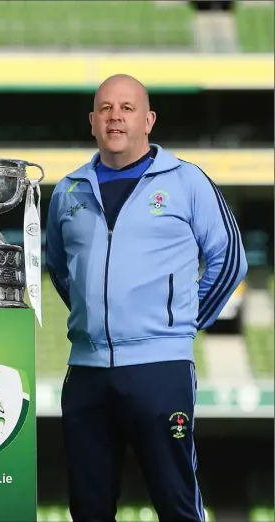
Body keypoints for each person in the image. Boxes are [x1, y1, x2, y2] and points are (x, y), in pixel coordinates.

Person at [46, 74, 247, 522]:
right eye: (105, 108)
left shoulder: (187, 181)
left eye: (128, 107)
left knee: (175, 502)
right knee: (88, 508)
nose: (115, 116)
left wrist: (179, 326)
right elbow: (59, 268)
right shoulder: (69, 190)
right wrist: (93, 320)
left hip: (161, 370)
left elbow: (230, 261)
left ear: (149, 120)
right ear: (92, 122)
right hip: (86, 371)